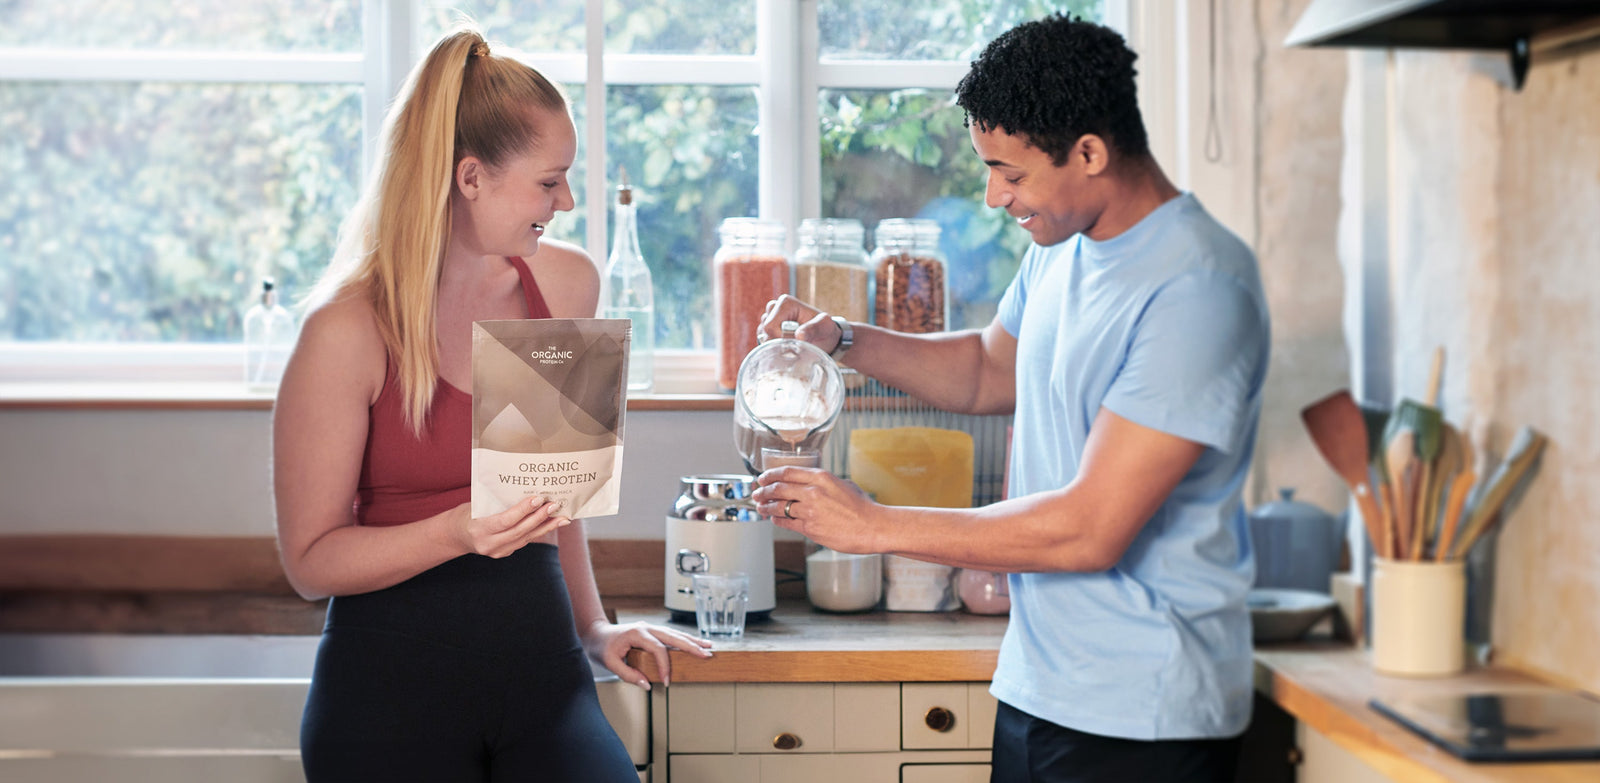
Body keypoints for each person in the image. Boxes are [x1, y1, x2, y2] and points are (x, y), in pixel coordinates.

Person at [754, 14, 1269, 783]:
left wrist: (874, 524)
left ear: (1090, 152)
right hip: (1043, 686)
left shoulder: (1197, 286)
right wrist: (844, 338)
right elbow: (986, 372)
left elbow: (1091, 529)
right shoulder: (1064, 250)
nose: (995, 195)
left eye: (1012, 172)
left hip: (1144, 715)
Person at [273, 25, 711, 783]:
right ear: (470, 177)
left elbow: (556, 495)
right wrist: (457, 528)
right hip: (385, 696)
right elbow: (310, 562)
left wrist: (594, 625)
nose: (567, 201)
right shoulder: (345, 328)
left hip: (543, 683)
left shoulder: (565, 286)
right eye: (549, 181)